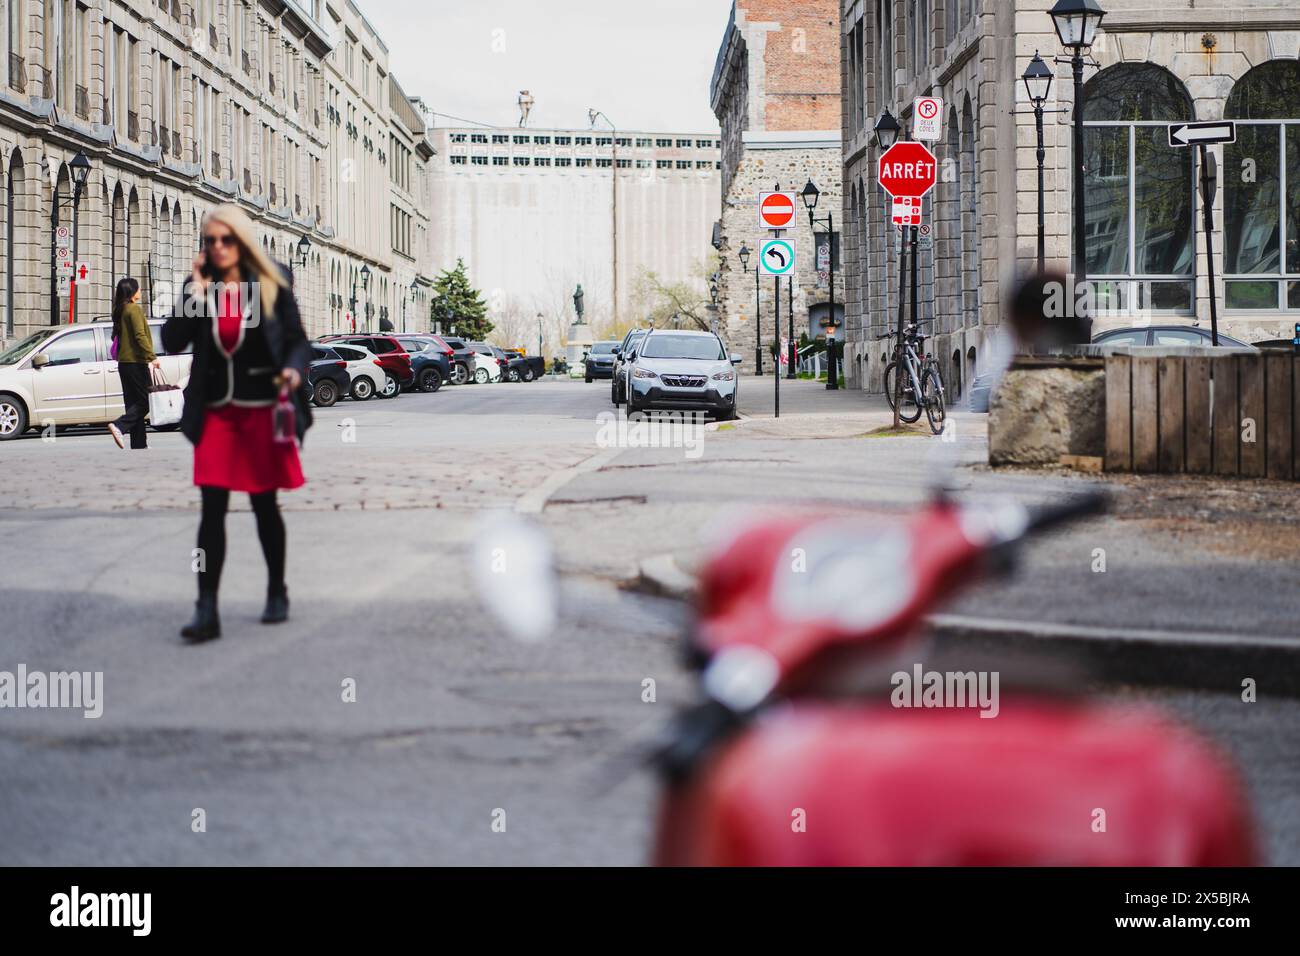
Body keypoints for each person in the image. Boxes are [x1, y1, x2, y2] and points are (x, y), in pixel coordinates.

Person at [161, 203, 313, 643]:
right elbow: (172, 340)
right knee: (212, 510)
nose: (219, 247)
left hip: (263, 408)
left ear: (242, 242)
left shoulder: (270, 280)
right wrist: (194, 291)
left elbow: (297, 341)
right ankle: (206, 607)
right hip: (217, 413)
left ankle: (276, 590)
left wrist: (293, 370)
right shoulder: (201, 288)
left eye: (226, 239)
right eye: (211, 240)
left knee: (265, 505)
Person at [107, 278, 160, 450]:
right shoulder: (134, 310)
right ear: (131, 292)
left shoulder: (120, 310)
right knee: (145, 401)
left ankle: (139, 444)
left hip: (124, 364)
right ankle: (120, 426)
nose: (140, 291)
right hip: (136, 362)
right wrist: (152, 357)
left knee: (133, 404)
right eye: (138, 288)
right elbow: (140, 336)